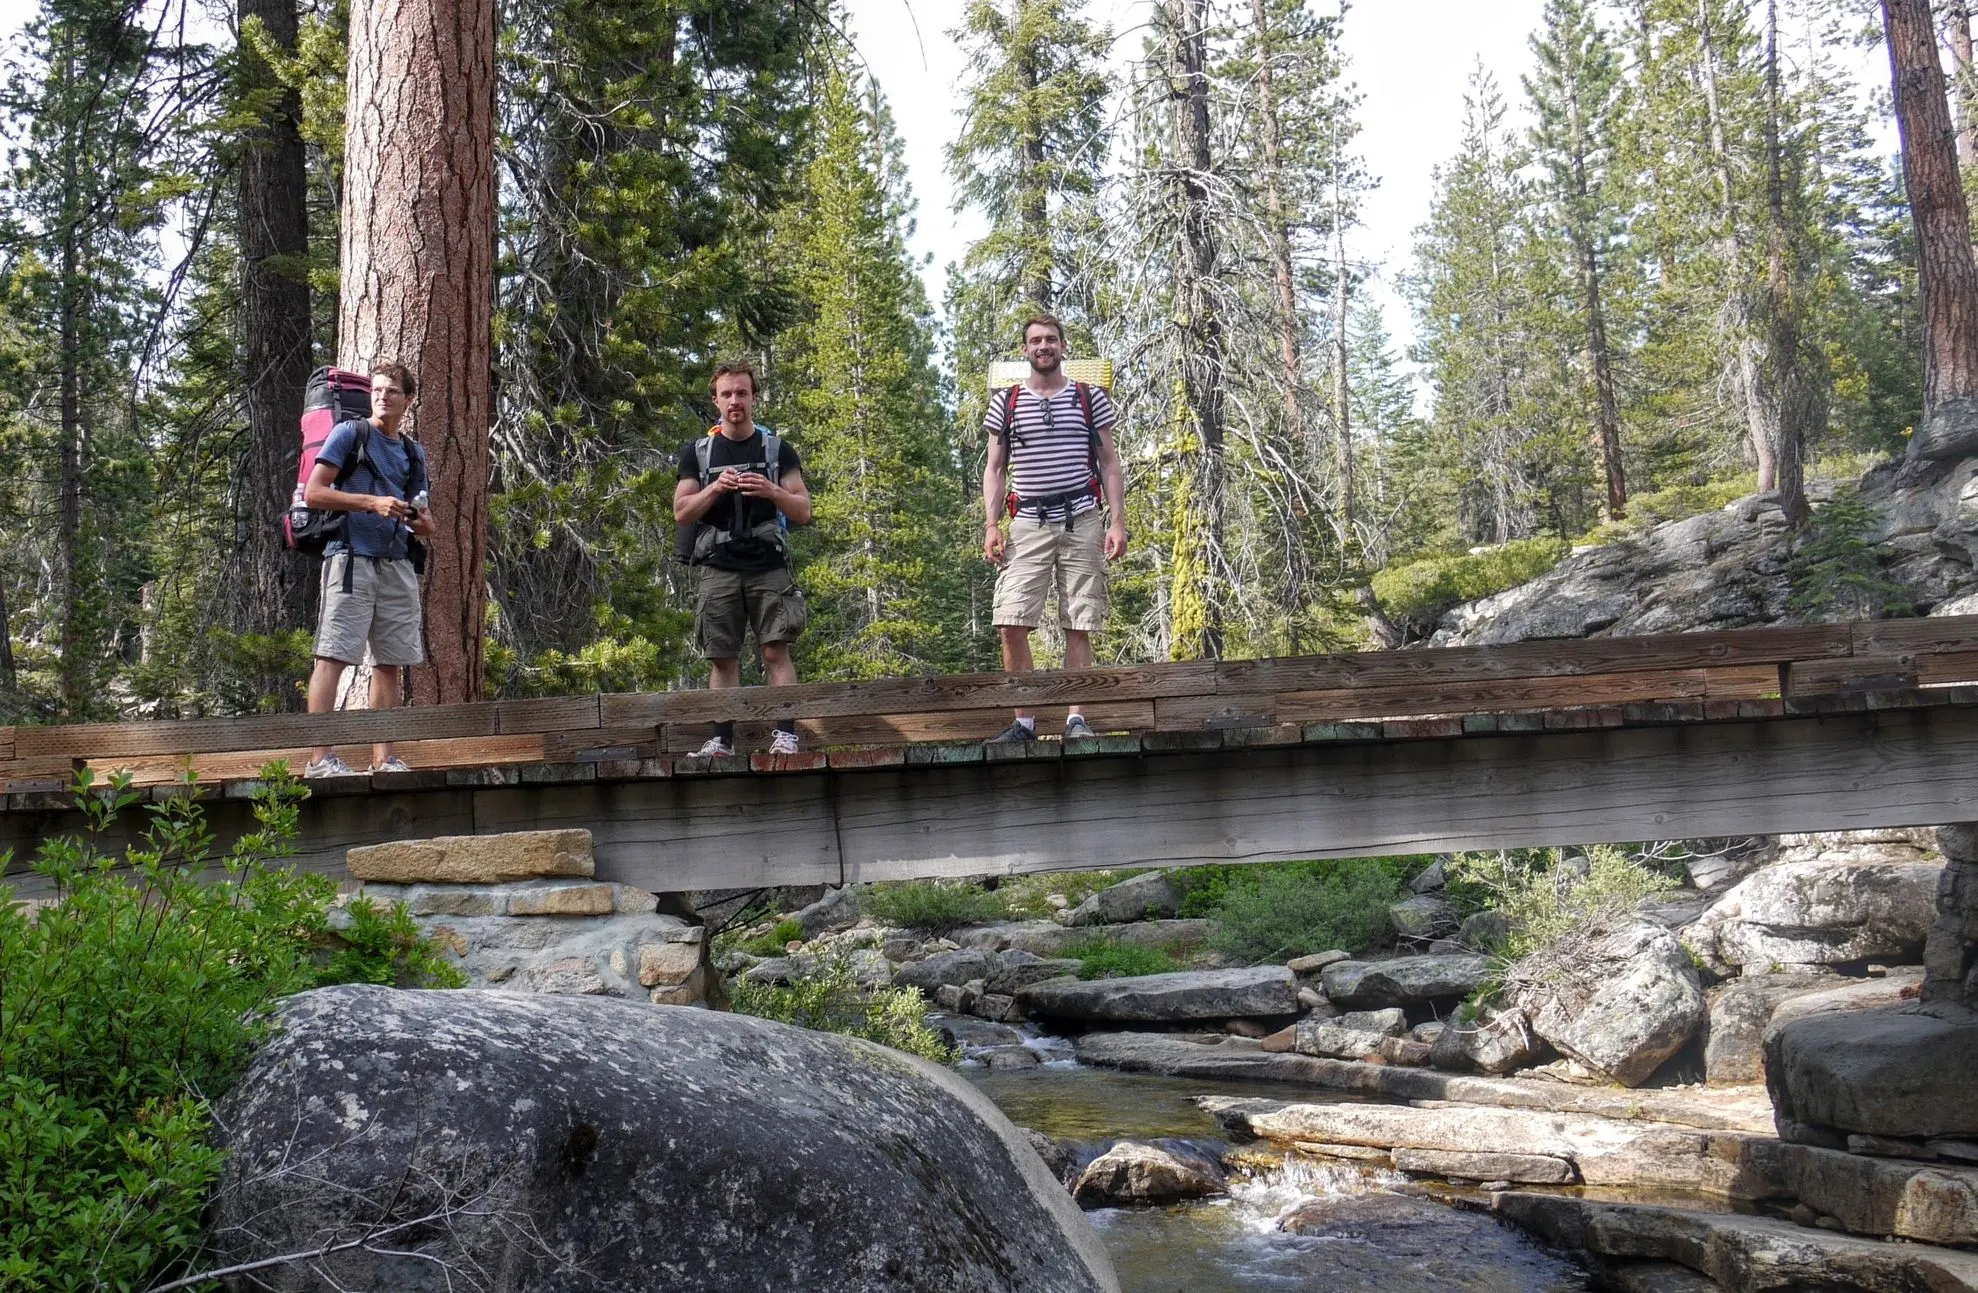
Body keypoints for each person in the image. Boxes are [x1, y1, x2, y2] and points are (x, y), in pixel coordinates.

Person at [981, 314, 1128, 743]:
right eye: (1035, 341)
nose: (1043, 346)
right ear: (1025, 350)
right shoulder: (1006, 403)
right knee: (1011, 619)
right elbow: (994, 468)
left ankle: (1076, 718)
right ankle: (1024, 722)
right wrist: (992, 524)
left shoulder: (1089, 397)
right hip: (1026, 521)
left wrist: (1116, 521)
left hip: (1081, 517)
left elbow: (1110, 463)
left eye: (1050, 340)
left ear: (1063, 347)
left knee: (1079, 619)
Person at [673, 358, 812, 756]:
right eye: (727, 394)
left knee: (775, 649)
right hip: (718, 565)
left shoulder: (777, 449)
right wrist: (715, 489)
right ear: (715, 400)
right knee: (722, 657)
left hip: (768, 564)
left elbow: (802, 510)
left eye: (742, 393)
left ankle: (786, 735)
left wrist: (771, 491)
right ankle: (722, 739)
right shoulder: (697, 453)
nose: (735, 401)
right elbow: (682, 511)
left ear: (754, 397)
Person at [301, 361, 434, 777]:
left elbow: (427, 523)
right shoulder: (349, 435)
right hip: (351, 559)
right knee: (333, 657)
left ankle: (384, 759)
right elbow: (314, 493)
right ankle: (319, 760)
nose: (382, 396)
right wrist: (371, 503)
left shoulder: (413, 452)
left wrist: (420, 520)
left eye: (392, 390)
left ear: (407, 400)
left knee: (390, 664)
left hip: (397, 564)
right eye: (377, 390)